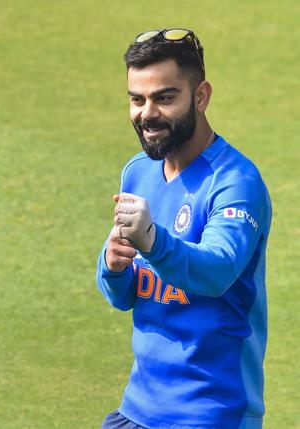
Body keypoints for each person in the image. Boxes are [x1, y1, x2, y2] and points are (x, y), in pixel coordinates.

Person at [95, 29, 271, 429]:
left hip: (212, 412)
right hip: (138, 407)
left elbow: (217, 272)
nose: (147, 113)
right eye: (137, 99)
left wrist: (153, 240)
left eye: (165, 97)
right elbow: (124, 296)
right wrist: (113, 266)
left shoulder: (235, 182)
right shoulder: (138, 172)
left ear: (201, 96)